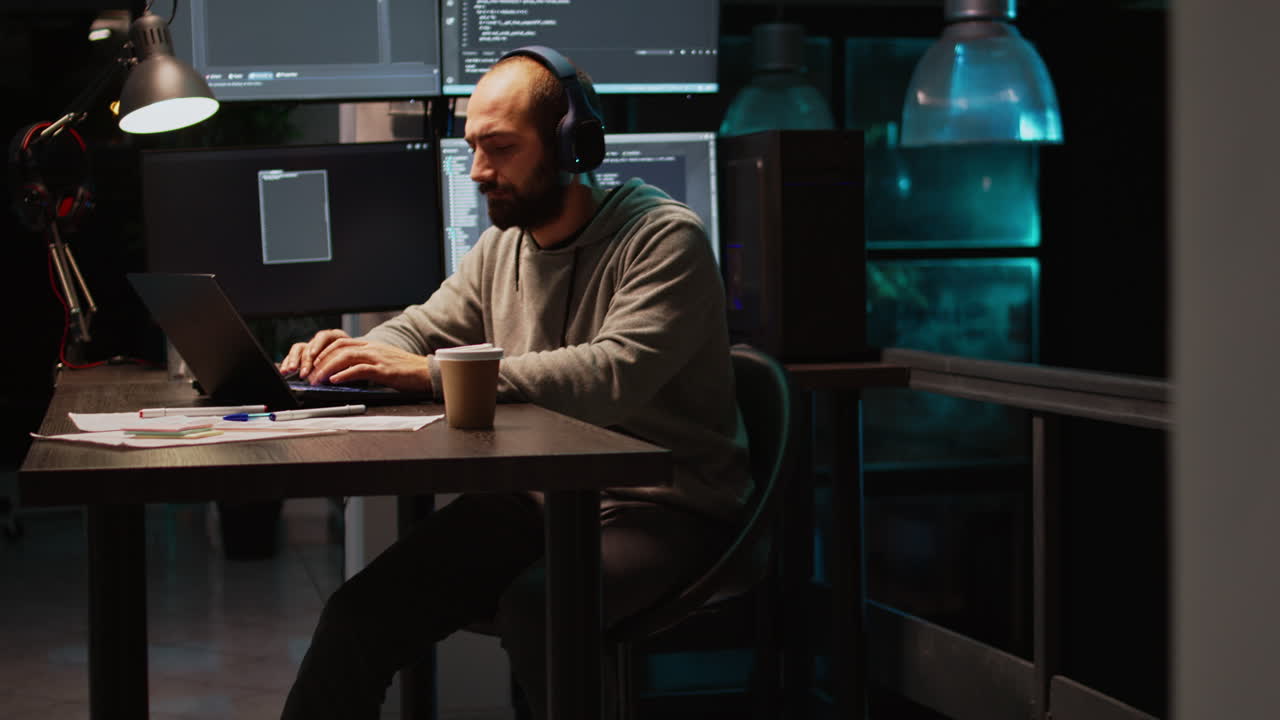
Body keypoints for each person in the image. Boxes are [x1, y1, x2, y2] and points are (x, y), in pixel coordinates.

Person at [279, 47, 749, 720]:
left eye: (500, 148)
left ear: (573, 145)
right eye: (472, 147)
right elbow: (420, 328)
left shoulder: (663, 239)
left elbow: (609, 374)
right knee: (358, 616)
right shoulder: (505, 247)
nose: (478, 172)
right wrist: (353, 356)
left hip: (663, 503)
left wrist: (427, 374)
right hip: (539, 499)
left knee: (540, 610)